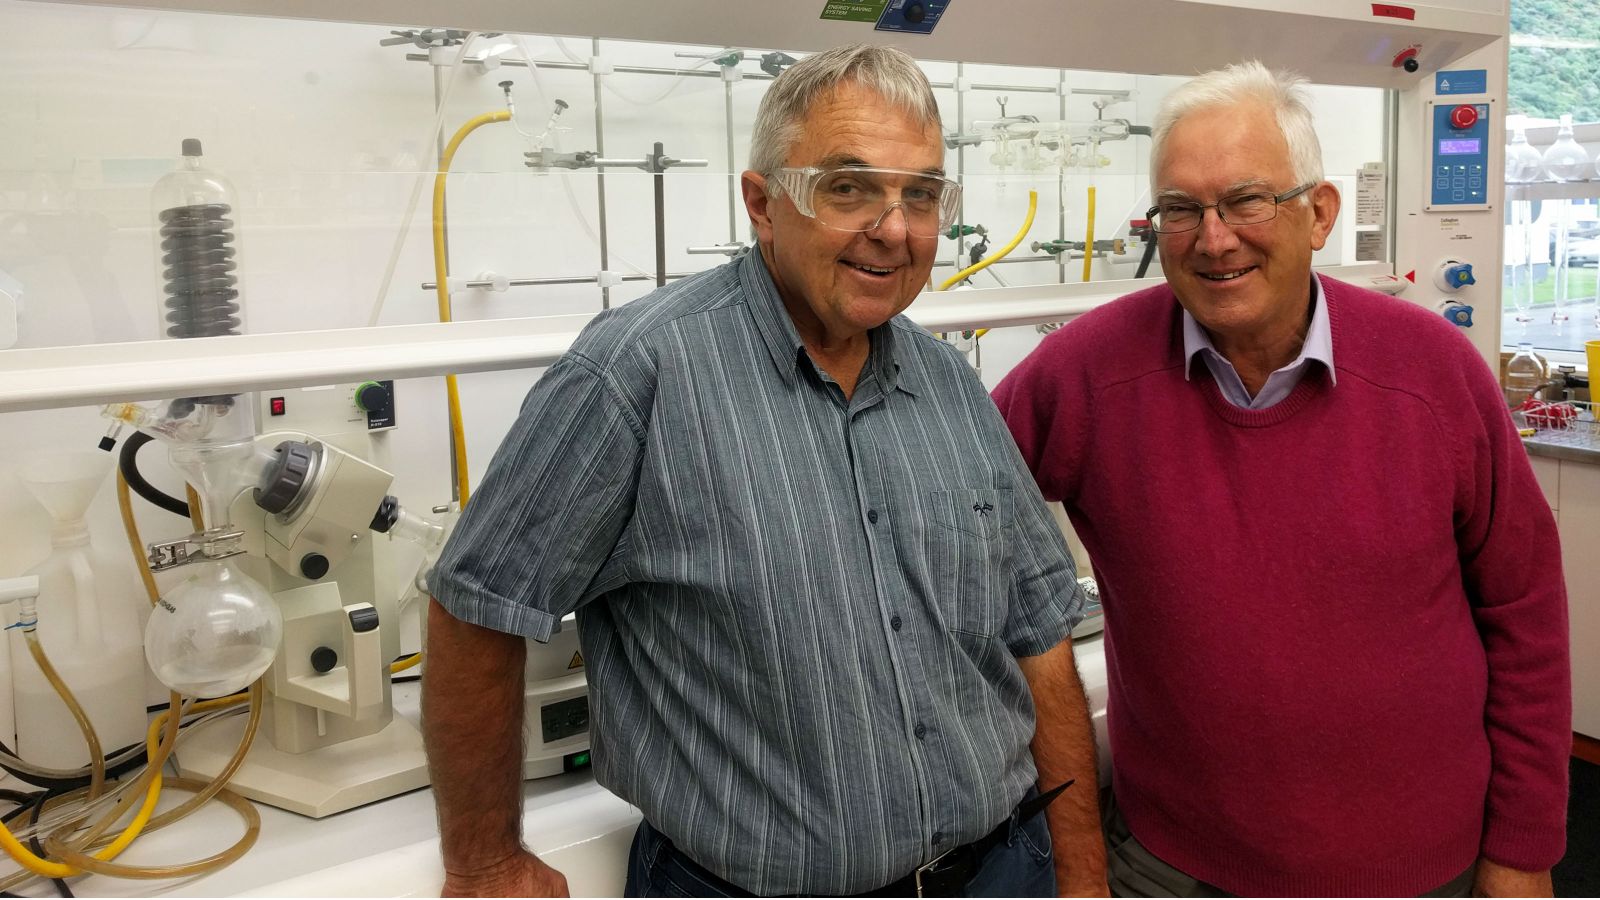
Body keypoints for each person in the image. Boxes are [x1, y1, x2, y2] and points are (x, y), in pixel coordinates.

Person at [423, 44, 1108, 898]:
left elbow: (1037, 632)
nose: (893, 229)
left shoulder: (948, 385)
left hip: (1002, 869)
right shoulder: (637, 374)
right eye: (848, 187)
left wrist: (1081, 875)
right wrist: (485, 859)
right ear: (763, 203)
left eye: (921, 195)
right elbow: (478, 601)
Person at [992, 60, 1571, 898]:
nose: (1214, 238)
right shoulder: (1086, 374)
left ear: (1319, 213)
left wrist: (1523, 852)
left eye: (1247, 200)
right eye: (1181, 210)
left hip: (1420, 868)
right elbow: (948, 499)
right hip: (1175, 867)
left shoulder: (1433, 373)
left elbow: (1527, 613)